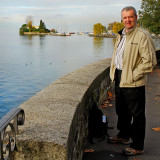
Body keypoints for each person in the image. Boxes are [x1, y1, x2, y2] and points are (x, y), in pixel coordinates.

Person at [109, 6, 157, 156]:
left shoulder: (142, 35)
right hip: (119, 76)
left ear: (136, 18)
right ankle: (124, 136)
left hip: (133, 80)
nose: (127, 20)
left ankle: (137, 145)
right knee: (121, 110)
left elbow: (149, 61)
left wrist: (133, 74)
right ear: (122, 19)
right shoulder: (122, 34)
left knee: (137, 115)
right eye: (125, 17)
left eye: (130, 17)